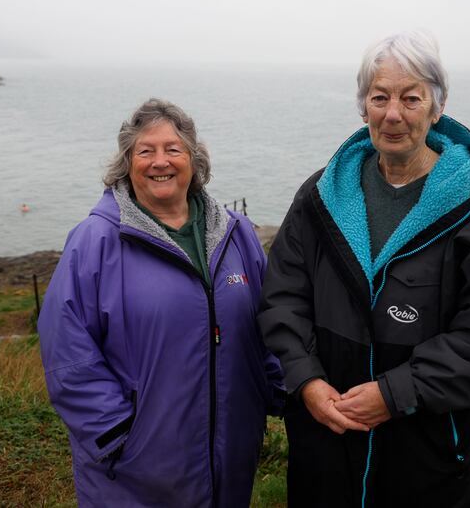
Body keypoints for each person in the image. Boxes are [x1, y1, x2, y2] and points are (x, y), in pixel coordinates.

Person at [259, 32, 470, 507]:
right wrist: (306, 380)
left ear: (437, 107)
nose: (393, 114)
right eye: (379, 97)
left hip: (427, 460)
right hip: (328, 446)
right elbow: (282, 296)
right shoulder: (321, 195)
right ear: (362, 106)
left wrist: (395, 393)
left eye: (411, 98)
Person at [38, 98, 285, 507]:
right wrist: (115, 433)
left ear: (193, 158)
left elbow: (268, 324)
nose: (160, 161)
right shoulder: (96, 241)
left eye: (173, 149)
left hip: (230, 455)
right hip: (135, 467)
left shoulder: (237, 233)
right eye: (145, 151)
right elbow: (66, 348)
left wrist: (284, 391)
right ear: (127, 163)